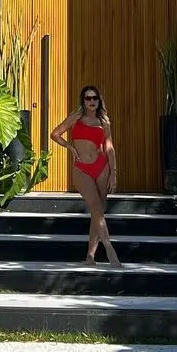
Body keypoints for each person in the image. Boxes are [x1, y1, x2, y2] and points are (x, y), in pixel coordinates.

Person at [50, 85, 121, 267]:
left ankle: (90, 256)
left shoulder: (104, 121)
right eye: (88, 98)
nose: (91, 101)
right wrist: (70, 147)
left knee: (98, 211)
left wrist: (113, 172)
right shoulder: (75, 118)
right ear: (83, 100)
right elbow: (55, 134)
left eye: (94, 98)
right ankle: (109, 248)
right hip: (82, 169)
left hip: (102, 167)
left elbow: (109, 147)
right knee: (96, 206)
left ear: (99, 100)